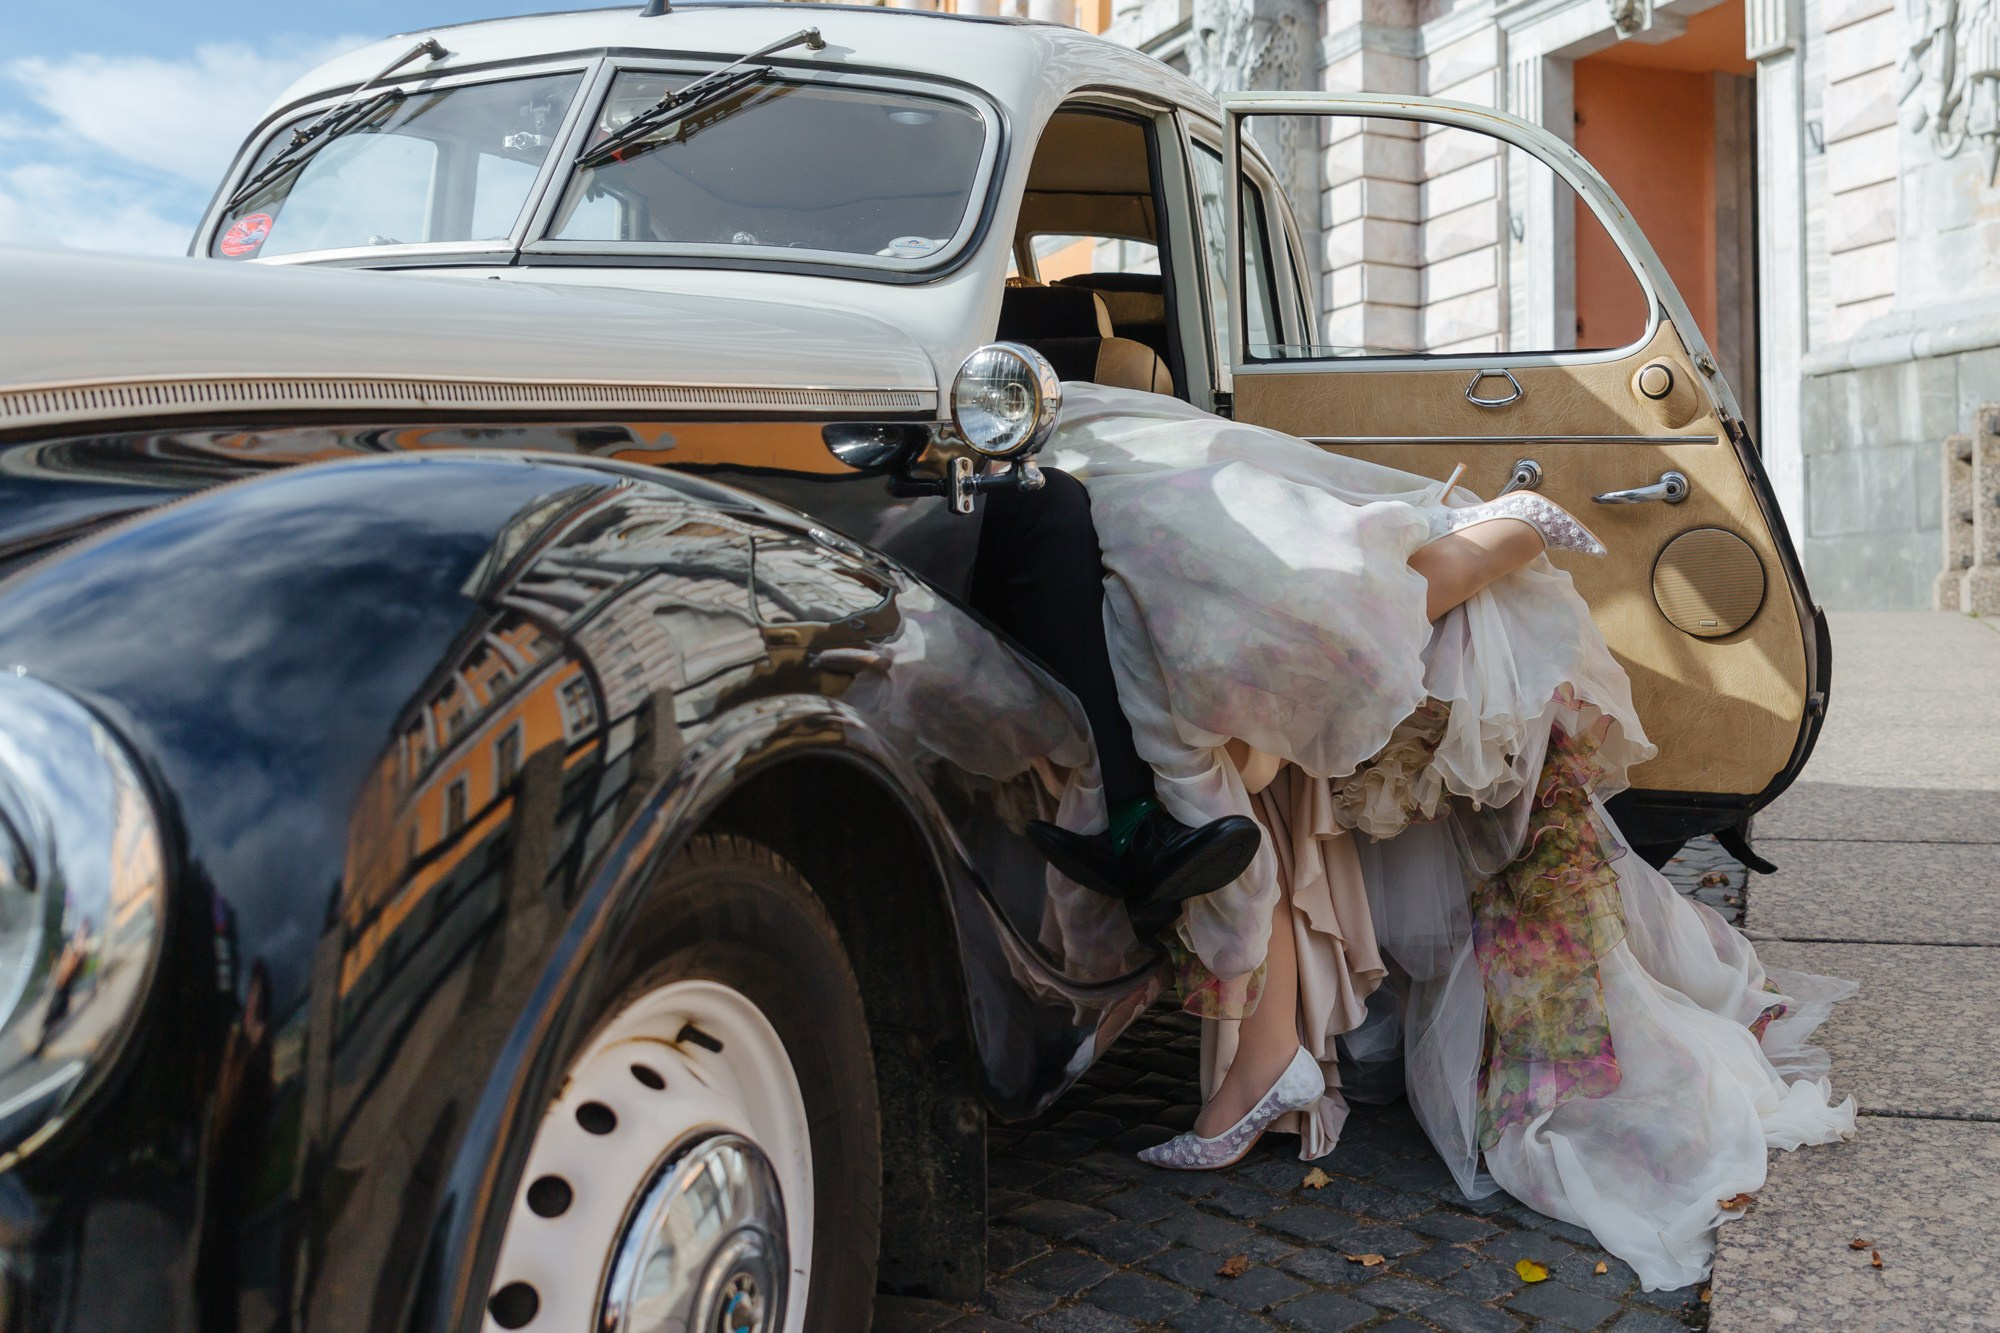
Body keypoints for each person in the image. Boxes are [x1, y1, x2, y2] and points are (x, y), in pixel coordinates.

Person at [1000, 381, 1855, 1292]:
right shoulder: (1098, 467)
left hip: (1295, 624)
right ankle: (1264, 1069)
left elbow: (1226, 796)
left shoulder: (1102, 530)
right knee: (1263, 768)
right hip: (1242, 595)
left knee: (1431, 805)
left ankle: (1279, 1074)